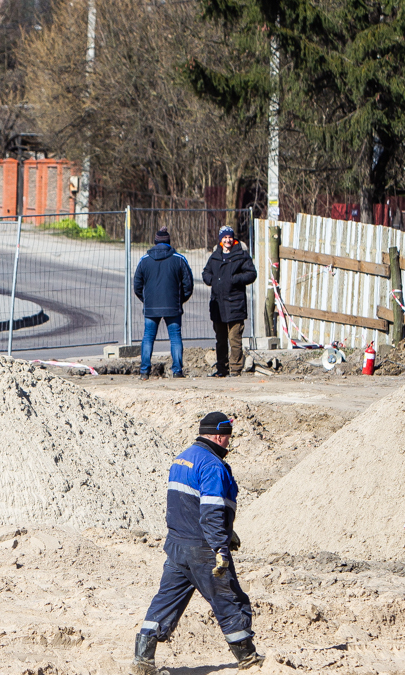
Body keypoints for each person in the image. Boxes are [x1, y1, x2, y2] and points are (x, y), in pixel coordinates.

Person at [132, 412, 266, 674]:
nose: (229, 443)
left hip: (177, 545)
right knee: (230, 600)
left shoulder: (183, 458)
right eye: (228, 437)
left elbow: (186, 505)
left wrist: (229, 531)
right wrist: (220, 546)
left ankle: (142, 659)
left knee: (166, 600)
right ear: (219, 436)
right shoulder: (213, 466)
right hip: (203, 548)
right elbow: (212, 509)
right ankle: (248, 659)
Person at [133, 228, 193, 379]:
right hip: (173, 305)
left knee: (148, 337)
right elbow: (188, 285)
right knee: (175, 337)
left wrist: (146, 300)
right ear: (168, 242)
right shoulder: (179, 259)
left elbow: (137, 286)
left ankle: (144, 371)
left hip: (151, 307)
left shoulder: (144, 260)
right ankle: (177, 371)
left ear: (155, 242)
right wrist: (180, 300)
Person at [202, 226, 257, 377]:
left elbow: (251, 274)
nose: (227, 240)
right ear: (220, 240)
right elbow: (206, 272)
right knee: (220, 340)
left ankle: (235, 369)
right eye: (225, 238)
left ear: (233, 239)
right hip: (218, 305)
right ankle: (221, 369)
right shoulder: (215, 256)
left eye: (230, 237)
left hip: (235, 304)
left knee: (235, 340)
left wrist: (235, 279)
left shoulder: (241, 255)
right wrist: (211, 280)